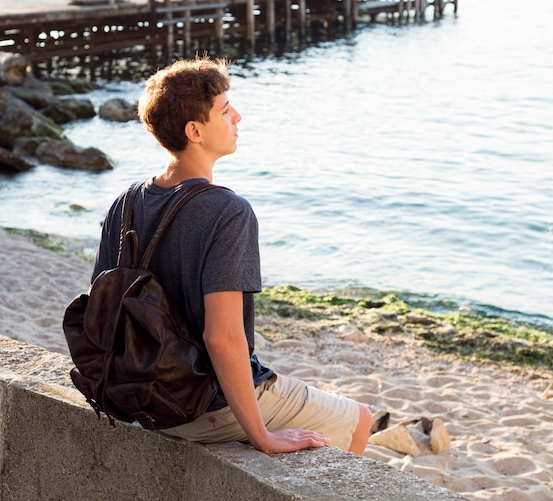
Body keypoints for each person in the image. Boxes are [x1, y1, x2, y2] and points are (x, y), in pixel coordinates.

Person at [92, 56, 372, 455]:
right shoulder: (228, 211)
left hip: (139, 395)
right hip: (198, 403)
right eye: (224, 110)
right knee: (358, 419)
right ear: (195, 131)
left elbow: (102, 308)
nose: (237, 116)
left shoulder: (127, 202)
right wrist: (263, 436)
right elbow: (222, 338)